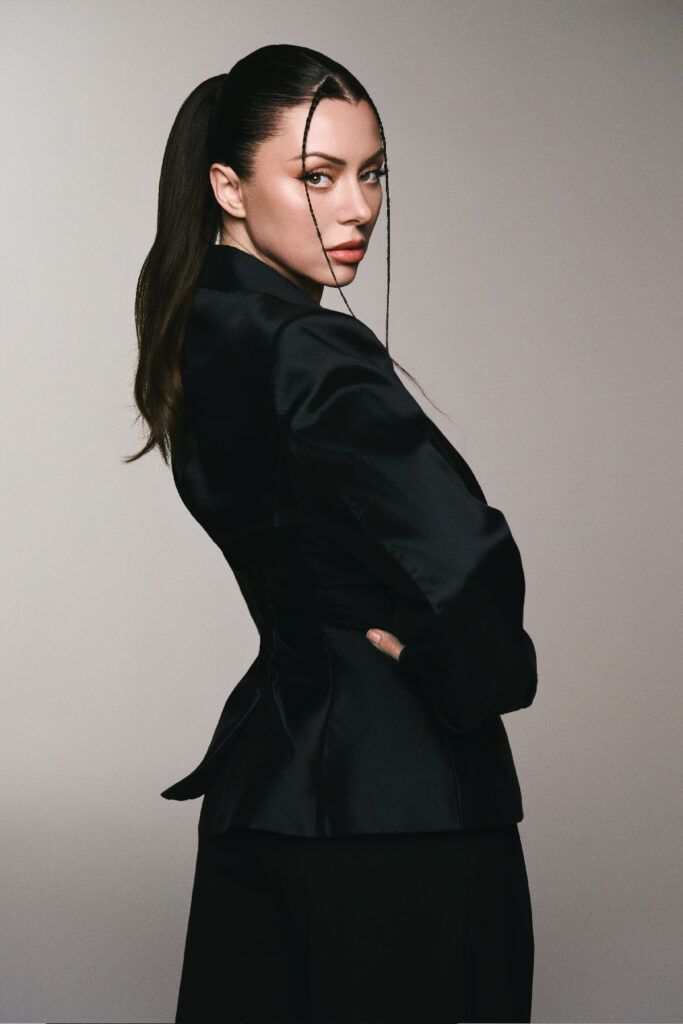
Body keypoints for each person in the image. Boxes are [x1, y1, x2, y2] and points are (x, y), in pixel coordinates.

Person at [126, 43, 538, 1024]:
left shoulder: (201, 337)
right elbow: (465, 552)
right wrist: (468, 666)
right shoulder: (307, 346)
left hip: (265, 792)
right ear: (226, 185)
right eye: (315, 175)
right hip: (398, 807)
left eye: (370, 173)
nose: (355, 207)